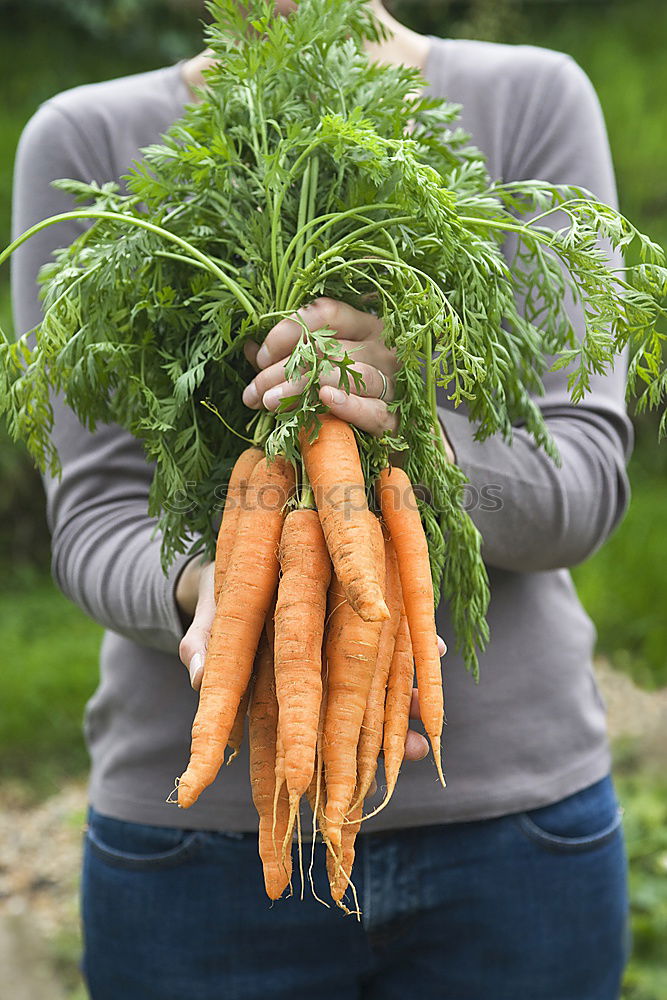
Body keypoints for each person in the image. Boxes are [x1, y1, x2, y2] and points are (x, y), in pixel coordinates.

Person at [11, 1, 631, 997]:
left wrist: (403, 423)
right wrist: (212, 585)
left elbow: (580, 498)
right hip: (194, 855)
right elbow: (91, 520)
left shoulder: (529, 100)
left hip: (514, 844)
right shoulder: (85, 140)